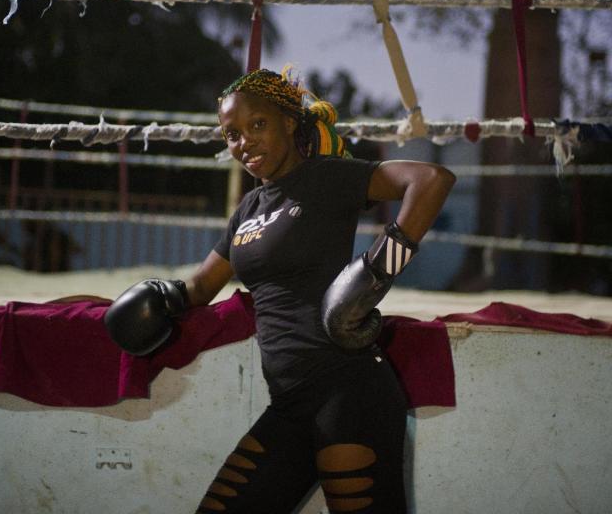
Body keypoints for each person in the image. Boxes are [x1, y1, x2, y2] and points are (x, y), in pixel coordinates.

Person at [104, 68, 455, 513]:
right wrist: (158, 295)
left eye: (257, 125)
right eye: (232, 134)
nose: (244, 142)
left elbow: (431, 180)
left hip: (348, 391)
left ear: (289, 122)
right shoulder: (248, 209)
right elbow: (201, 286)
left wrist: (374, 273)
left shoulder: (326, 177)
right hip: (290, 405)